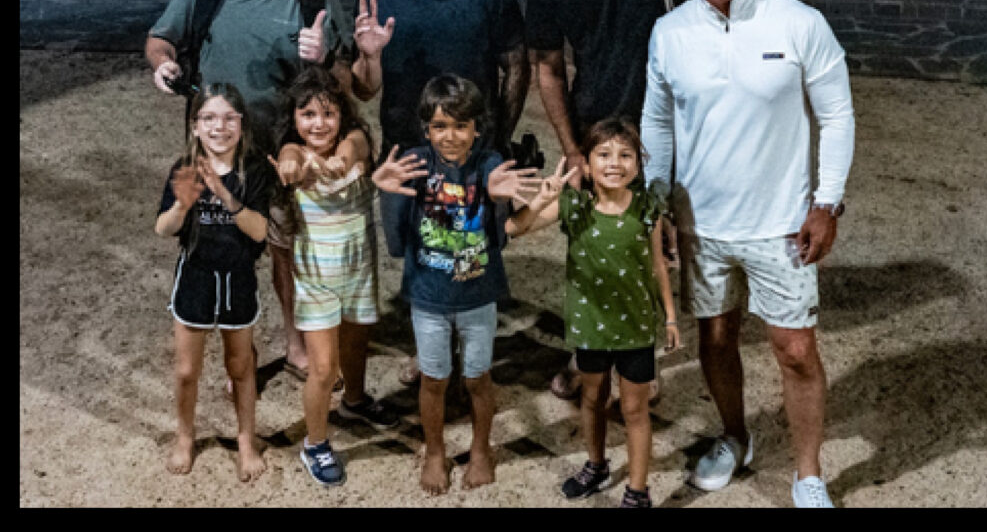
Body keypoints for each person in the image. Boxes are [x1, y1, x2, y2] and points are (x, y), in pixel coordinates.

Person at [640, 0, 855, 508]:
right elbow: (657, 123)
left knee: (796, 351)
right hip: (702, 224)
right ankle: (735, 436)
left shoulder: (798, 22)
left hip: (782, 225)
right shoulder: (670, 32)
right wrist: (658, 205)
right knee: (715, 341)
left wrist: (826, 203)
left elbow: (837, 115)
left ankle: (808, 475)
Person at [146, 0, 352, 384]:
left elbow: (347, 83)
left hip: (284, 151)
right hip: (218, 151)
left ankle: (295, 344)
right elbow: (159, 39)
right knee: (220, 245)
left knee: (285, 248)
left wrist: (324, 58)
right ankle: (232, 347)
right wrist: (163, 64)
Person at [524, 0, 697, 400]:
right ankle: (593, 354)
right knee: (600, 249)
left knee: (663, 244)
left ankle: (648, 356)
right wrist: (572, 149)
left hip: (668, 128)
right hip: (600, 136)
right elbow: (549, 68)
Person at [348, 0, 530, 385]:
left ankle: (471, 348)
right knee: (418, 250)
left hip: (473, 154)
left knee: (476, 251)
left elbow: (516, 63)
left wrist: (499, 139)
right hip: (407, 155)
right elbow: (364, 90)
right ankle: (432, 346)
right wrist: (369, 54)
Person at [371, 74, 540, 495]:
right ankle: (434, 451)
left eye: (461, 125)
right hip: (428, 298)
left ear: (477, 128)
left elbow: (499, 225)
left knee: (478, 379)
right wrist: (386, 191)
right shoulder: (414, 164)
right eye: (440, 126)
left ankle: (481, 449)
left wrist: (499, 198)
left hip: (478, 298)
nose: (450, 136)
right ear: (425, 128)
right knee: (433, 380)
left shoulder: (489, 163)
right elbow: (396, 238)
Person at [507, 117, 679, 508]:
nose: (614, 163)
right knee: (591, 399)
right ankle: (596, 465)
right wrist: (540, 199)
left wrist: (669, 316)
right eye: (603, 154)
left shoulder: (647, 209)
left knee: (634, 409)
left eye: (625, 155)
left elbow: (658, 265)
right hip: (590, 327)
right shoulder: (574, 207)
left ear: (638, 163)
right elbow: (514, 229)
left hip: (635, 327)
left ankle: (637, 491)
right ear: (585, 164)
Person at [268, 66, 399, 487]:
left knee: (357, 343)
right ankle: (315, 444)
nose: (319, 123)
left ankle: (354, 403)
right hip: (316, 282)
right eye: (307, 114)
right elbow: (289, 158)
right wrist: (294, 167)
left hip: (358, 274)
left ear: (343, 115)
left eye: (328, 113)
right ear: (294, 118)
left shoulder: (356, 142)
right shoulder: (294, 150)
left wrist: (338, 164)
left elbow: (353, 149)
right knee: (324, 368)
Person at [155, 82, 272, 482]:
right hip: (197, 276)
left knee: (240, 367)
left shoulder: (253, 170)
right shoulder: (184, 168)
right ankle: (185, 436)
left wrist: (224, 194)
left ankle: (246, 439)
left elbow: (259, 231)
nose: (218, 127)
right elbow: (163, 228)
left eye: (228, 118)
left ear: (241, 124)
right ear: (195, 126)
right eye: (208, 118)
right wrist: (182, 204)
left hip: (237, 277)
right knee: (187, 370)